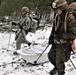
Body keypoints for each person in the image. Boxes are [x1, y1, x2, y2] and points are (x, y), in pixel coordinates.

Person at [48, 0, 76, 75]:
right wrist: (51, 37)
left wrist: (61, 36)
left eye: (57, 10)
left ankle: (61, 72)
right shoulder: (58, 17)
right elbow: (54, 29)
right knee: (51, 56)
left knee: (59, 60)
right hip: (56, 41)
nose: (56, 12)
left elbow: (73, 35)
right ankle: (57, 67)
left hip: (65, 43)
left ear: (63, 9)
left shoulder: (70, 18)